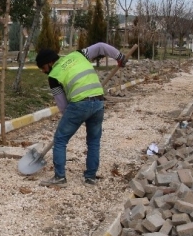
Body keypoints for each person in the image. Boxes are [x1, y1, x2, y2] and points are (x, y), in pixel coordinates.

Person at [35, 43, 127, 187]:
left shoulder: (54, 76)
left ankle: (59, 178)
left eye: (42, 67)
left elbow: (63, 105)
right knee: (93, 141)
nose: (42, 71)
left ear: (50, 62)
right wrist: (119, 56)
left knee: (60, 139)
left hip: (79, 104)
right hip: (98, 102)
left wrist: (73, 119)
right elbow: (101, 47)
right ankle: (90, 177)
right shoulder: (78, 55)